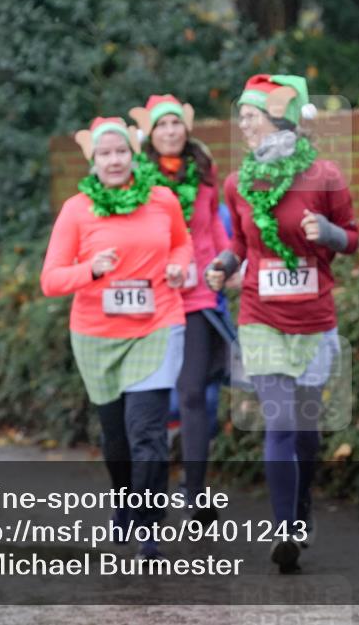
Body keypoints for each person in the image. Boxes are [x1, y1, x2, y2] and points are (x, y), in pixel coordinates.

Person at [206, 74, 359, 573]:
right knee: (280, 421)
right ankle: (283, 530)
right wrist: (224, 267)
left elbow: (353, 238)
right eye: (242, 117)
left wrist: (328, 231)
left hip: (314, 317)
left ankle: (301, 505)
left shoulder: (325, 175)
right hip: (260, 315)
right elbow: (243, 247)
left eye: (249, 116)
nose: (243, 125)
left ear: (278, 118)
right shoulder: (239, 182)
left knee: (307, 433)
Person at [41, 116, 192, 560]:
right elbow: (51, 279)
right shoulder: (77, 209)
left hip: (158, 323)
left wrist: (179, 267)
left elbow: (182, 244)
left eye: (121, 152)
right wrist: (91, 269)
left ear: (134, 154)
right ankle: (125, 500)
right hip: (97, 335)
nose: (113, 160)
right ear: (93, 160)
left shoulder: (162, 199)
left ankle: (149, 523)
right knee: (117, 438)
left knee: (147, 431)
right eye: (105, 153)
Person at [129, 94, 231, 521]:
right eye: (162, 125)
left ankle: (194, 490)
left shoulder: (205, 175)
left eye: (176, 124)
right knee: (149, 399)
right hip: (153, 297)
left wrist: (229, 264)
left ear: (186, 129)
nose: (170, 132)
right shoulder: (136, 179)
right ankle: (143, 494)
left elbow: (215, 234)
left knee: (192, 394)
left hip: (198, 296)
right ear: (150, 135)